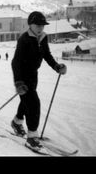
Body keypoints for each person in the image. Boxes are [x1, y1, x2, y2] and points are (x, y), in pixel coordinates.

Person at [11, 11, 67, 152]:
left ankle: (17, 122)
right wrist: (18, 82)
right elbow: (15, 62)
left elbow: (46, 54)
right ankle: (32, 137)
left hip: (33, 75)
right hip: (22, 76)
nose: (41, 28)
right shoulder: (24, 39)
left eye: (42, 25)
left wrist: (56, 66)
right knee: (34, 104)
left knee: (26, 101)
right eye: (38, 25)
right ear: (30, 24)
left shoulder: (43, 37)